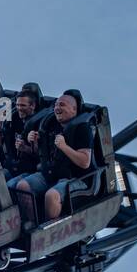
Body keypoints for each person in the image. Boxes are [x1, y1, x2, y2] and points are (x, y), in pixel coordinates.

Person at [40, 89, 97, 221]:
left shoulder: (82, 129)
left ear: (74, 110)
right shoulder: (52, 126)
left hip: (78, 179)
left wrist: (64, 146)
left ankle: (49, 232)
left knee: (52, 195)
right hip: (53, 174)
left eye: (62, 105)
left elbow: (85, 162)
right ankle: (28, 224)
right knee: (21, 186)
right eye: (56, 105)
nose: (57, 108)